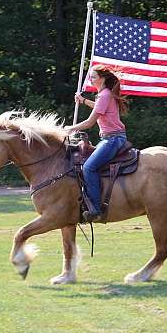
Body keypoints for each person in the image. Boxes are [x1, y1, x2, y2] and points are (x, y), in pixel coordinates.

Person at [65, 65, 129, 222]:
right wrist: (84, 100)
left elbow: (90, 122)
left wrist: (70, 128)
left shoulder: (105, 95)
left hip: (112, 139)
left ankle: (95, 209)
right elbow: (99, 109)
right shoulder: (105, 95)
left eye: (93, 77)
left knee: (88, 167)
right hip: (111, 138)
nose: (91, 80)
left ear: (102, 78)